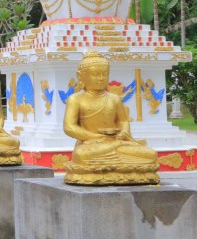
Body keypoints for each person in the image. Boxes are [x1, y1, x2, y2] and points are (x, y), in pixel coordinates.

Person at [63, 51, 159, 185]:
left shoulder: (114, 98)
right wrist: (96, 138)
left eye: (105, 74)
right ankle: (123, 165)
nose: (101, 78)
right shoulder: (76, 99)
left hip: (116, 142)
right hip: (91, 146)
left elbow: (123, 121)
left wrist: (122, 133)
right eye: (96, 74)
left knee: (150, 154)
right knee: (81, 155)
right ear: (81, 76)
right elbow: (69, 127)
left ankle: (114, 164)